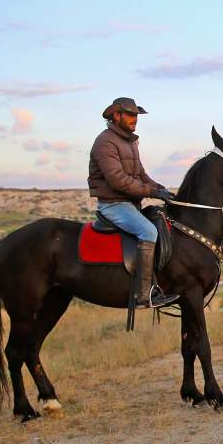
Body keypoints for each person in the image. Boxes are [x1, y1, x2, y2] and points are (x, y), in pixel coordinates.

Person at [88, 97, 178, 308]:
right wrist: (152, 191)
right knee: (149, 232)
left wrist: (161, 189)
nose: (135, 119)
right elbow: (117, 180)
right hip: (114, 204)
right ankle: (143, 295)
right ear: (116, 115)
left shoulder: (129, 141)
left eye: (136, 115)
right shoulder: (105, 142)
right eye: (130, 114)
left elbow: (141, 175)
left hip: (130, 204)